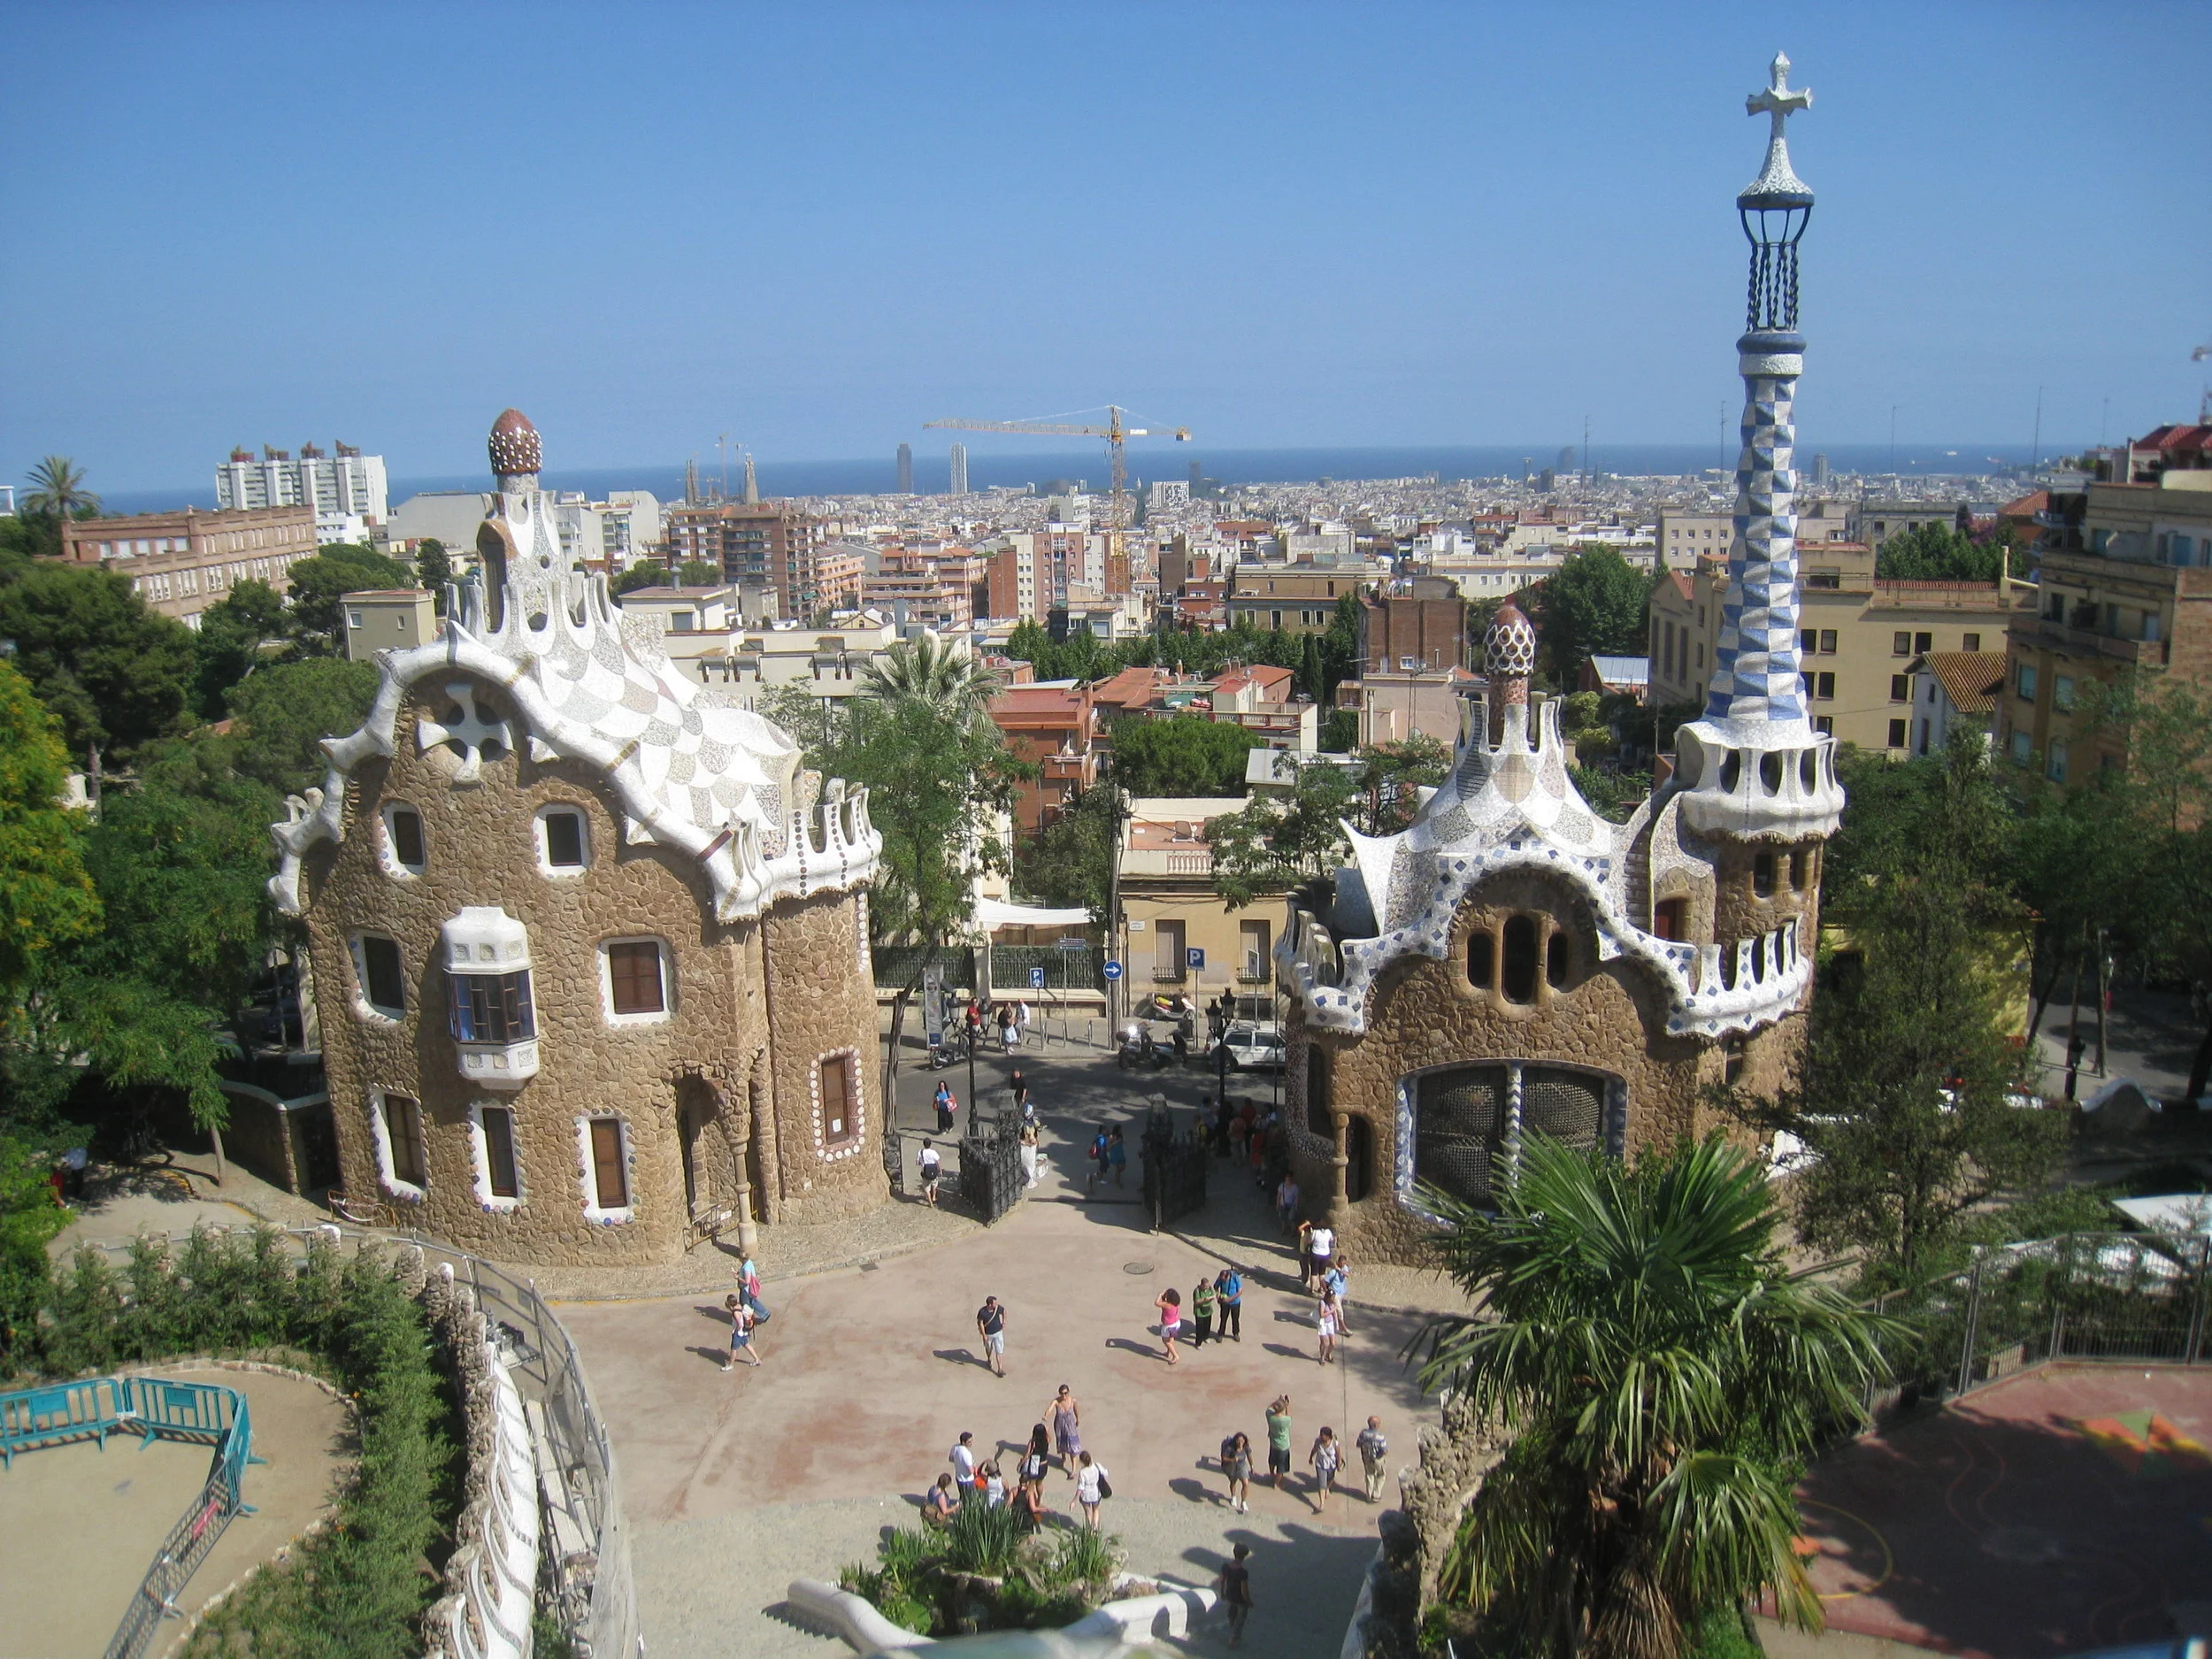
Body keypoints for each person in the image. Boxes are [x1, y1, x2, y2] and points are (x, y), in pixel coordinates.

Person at [1217, 1543, 1255, 1647]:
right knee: (1240, 1620)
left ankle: (1233, 1631)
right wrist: (1249, 1601)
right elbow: (1244, 1590)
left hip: (1229, 1595)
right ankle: (1234, 1640)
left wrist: (1222, 1593)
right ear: (1243, 1557)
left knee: (1232, 1615)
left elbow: (1222, 1581)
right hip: (1240, 1600)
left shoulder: (1225, 1567)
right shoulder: (1243, 1572)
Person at [1048, 1385, 1082, 1476]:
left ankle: (1073, 1469)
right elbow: (1050, 1409)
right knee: (1061, 1442)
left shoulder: (1072, 1401)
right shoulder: (1056, 1401)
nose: (1064, 1396)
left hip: (1070, 1427)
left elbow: (1076, 1410)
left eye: (1065, 1393)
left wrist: (1078, 1419)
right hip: (1059, 1426)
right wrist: (1046, 1415)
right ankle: (1063, 1458)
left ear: (1068, 1392)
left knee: (1072, 1447)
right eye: (1062, 1394)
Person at [722, 1294, 761, 1371]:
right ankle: (757, 1360)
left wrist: (736, 1331)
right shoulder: (739, 1305)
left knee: (734, 1349)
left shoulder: (735, 1312)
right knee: (747, 1345)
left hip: (739, 1333)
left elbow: (740, 1324)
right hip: (745, 1332)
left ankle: (730, 1365)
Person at [1356, 1416, 1389, 1503]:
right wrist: (1379, 1455)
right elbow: (1385, 1451)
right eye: (1379, 1423)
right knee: (1381, 1475)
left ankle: (1369, 1496)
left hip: (1366, 1459)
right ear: (1375, 1425)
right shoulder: (1380, 1437)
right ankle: (1376, 1494)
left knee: (1370, 1475)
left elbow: (1358, 1444)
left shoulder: (1363, 1434)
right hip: (1377, 1459)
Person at [1310, 1425, 1342, 1513]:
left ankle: (1328, 1488)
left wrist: (1338, 1465)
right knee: (1322, 1484)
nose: (1321, 1437)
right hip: (1320, 1465)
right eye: (1320, 1435)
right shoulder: (1318, 1442)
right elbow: (1314, 1450)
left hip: (1331, 1465)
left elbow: (1338, 1454)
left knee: (1330, 1479)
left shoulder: (1334, 1443)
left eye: (1323, 1435)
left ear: (1328, 1436)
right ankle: (1321, 1504)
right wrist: (1310, 1458)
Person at [1219, 1430, 1253, 1513]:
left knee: (1246, 1483)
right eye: (1238, 1440)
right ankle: (1233, 1497)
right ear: (1235, 1440)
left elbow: (1249, 1456)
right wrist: (1232, 1460)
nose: (1240, 1442)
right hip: (1232, 1466)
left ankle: (1243, 1502)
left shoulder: (1246, 1447)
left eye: (1242, 1440)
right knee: (1233, 1482)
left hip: (1242, 1465)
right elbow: (1223, 1458)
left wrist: (1252, 1466)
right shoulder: (1230, 1448)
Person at [1075, 1449, 1110, 1528]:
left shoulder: (1082, 1472)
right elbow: (1105, 1473)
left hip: (1085, 1496)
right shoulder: (1097, 1466)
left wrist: (1075, 1499)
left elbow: (1081, 1486)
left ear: (1081, 1461)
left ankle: (1089, 1530)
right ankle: (1095, 1528)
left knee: (1088, 1513)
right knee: (1095, 1510)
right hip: (1096, 1494)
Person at [1298, 1219, 1335, 1293]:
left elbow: (1310, 1241)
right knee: (1322, 1273)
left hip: (1316, 1254)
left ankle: (1312, 1289)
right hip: (1325, 1254)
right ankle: (1321, 1288)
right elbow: (1332, 1240)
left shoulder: (1315, 1232)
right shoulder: (1328, 1232)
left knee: (1314, 1273)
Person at [976, 1295, 1008, 1377]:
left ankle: (1000, 1369)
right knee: (988, 1349)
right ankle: (989, 1359)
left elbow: (1004, 1311)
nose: (997, 1304)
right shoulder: (982, 1312)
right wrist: (984, 1335)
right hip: (988, 1334)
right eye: (995, 1303)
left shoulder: (997, 1308)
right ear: (990, 1304)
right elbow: (981, 1324)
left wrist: (1003, 1322)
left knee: (999, 1351)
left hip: (998, 1333)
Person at [1264, 1396, 1293, 1487]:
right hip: (1283, 1445)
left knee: (1272, 1461)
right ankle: (1276, 1483)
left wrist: (1277, 1402)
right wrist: (1286, 1405)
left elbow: (1269, 1408)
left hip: (1274, 1443)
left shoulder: (1270, 1417)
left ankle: (1272, 1475)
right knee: (1281, 1467)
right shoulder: (1285, 1420)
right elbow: (1289, 1417)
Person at [736, 1254, 771, 1323]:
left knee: (746, 1305)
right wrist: (739, 1273)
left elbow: (747, 1281)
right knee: (753, 1302)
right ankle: (765, 1313)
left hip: (746, 1289)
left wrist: (738, 1278)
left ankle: (748, 1320)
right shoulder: (749, 1262)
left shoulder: (746, 1267)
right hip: (750, 1288)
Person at [1020, 1425, 1051, 1502]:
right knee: (1039, 1483)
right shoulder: (1047, 1439)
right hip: (1044, 1464)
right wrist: (1047, 1431)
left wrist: (1020, 1464)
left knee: (1031, 1487)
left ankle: (1030, 1503)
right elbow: (1048, 1435)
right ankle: (1039, 1499)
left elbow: (1027, 1455)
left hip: (1035, 1465)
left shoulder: (1032, 1442)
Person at [1155, 1286, 1183, 1365]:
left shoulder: (1167, 1305)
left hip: (1169, 1325)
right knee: (1171, 1338)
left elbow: (1156, 1303)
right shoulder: (1176, 1303)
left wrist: (1160, 1295)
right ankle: (1168, 1353)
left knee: (1165, 1341)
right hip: (1176, 1323)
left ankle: (1175, 1356)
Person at [1214, 1265, 1243, 1342]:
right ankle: (1220, 1334)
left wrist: (1230, 1299)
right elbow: (1216, 1287)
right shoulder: (1221, 1277)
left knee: (1235, 1318)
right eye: (1222, 1280)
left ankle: (1236, 1333)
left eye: (1224, 1280)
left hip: (1235, 1303)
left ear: (1228, 1277)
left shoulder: (1235, 1277)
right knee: (1223, 1318)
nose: (1223, 1281)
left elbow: (1240, 1291)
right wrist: (1218, 1294)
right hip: (1224, 1303)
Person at [1323, 1254, 1350, 1333]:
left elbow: (1347, 1275)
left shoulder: (1344, 1268)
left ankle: (1335, 1325)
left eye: (1344, 1263)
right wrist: (1326, 1291)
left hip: (1341, 1293)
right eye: (1341, 1263)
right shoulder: (1333, 1272)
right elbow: (1324, 1281)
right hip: (1334, 1293)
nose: (1343, 1265)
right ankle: (1344, 1328)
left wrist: (1340, 1270)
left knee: (1335, 1310)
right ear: (1338, 1262)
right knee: (1340, 1311)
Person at [1315, 1290, 1342, 1365]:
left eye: (1333, 1297)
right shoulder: (1322, 1303)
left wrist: (1337, 1323)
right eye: (1331, 1298)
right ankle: (1322, 1357)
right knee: (1324, 1343)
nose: (1332, 1299)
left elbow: (1335, 1313)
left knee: (1333, 1343)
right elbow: (1322, 1314)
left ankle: (1328, 1354)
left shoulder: (1332, 1303)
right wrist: (1331, 1311)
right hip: (1323, 1324)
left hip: (1330, 1324)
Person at [1190, 1274, 1216, 1348]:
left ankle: (1206, 1337)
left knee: (1207, 1326)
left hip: (1208, 1310)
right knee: (1200, 1328)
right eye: (1205, 1286)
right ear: (1201, 1285)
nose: (1207, 1287)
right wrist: (1205, 1299)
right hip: (1200, 1312)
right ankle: (1198, 1343)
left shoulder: (1209, 1288)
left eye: (1208, 1286)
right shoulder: (1197, 1291)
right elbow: (1196, 1301)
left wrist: (1211, 1289)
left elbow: (1214, 1294)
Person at [950, 1430, 979, 1494]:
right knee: (970, 1499)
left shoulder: (955, 1447)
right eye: (969, 1442)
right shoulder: (967, 1454)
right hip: (968, 1481)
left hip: (958, 1478)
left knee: (962, 1496)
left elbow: (951, 1459)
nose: (971, 1443)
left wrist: (959, 1462)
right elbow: (971, 1471)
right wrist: (974, 1466)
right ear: (963, 1442)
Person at [1084, 1128, 1109, 1198]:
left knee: (1103, 1165)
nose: (1107, 1131)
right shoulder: (1101, 1138)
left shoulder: (1098, 1136)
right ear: (1102, 1131)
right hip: (1102, 1153)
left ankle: (1097, 1175)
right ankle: (1100, 1179)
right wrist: (1106, 1148)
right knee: (1103, 1165)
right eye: (1105, 1130)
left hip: (1099, 1153)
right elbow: (1102, 1146)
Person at [917, 1140, 942, 1207]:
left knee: (926, 1188)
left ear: (924, 1144)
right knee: (934, 1185)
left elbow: (917, 1162)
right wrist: (940, 1170)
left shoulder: (921, 1152)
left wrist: (922, 1163)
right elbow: (938, 1162)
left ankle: (930, 1202)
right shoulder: (933, 1152)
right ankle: (934, 1197)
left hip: (925, 1172)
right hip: (933, 1171)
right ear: (930, 1144)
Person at [1275, 1171, 1301, 1238]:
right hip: (1283, 1204)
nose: (1288, 1179)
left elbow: (1296, 1197)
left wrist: (1296, 1206)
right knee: (1282, 1217)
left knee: (1291, 1218)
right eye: (1287, 1177)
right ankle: (1284, 1229)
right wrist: (1277, 1205)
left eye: (1289, 1177)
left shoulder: (1294, 1187)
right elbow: (1279, 1196)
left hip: (1292, 1204)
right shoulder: (1282, 1186)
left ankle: (1293, 1231)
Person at [1018, 1119, 1041, 1189]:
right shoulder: (1030, 1122)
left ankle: (1028, 1177)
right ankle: (1029, 1177)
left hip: (1028, 1146)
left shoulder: (1031, 1122)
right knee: (1029, 1164)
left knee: (1028, 1164)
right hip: (1027, 1146)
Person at [1106, 1124, 1127, 1188]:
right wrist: (1116, 1142)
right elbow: (1108, 1145)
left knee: (1123, 1166)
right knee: (1117, 1167)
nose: (1121, 1130)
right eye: (1120, 1129)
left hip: (1120, 1152)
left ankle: (1117, 1174)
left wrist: (1123, 1141)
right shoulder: (1112, 1136)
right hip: (1115, 1152)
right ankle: (1118, 1181)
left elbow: (1122, 1141)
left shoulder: (1120, 1135)